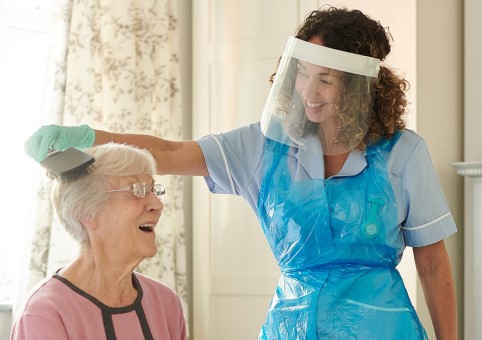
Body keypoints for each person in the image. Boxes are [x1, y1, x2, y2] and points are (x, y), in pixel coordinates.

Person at [24, 6, 457, 340]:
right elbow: (168, 152)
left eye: (324, 78)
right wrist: (84, 137)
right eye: (301, 74)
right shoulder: (262, 147)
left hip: (381, 327)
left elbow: (433, 263)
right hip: (291, 326)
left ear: (361, 85)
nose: (308, 91)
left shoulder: (404, 154)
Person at [11, 143, 187, 340]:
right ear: (88, 212)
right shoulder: (46, 313)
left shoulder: (165, 302)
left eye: (155, 190)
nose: (157, 204)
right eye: (137, 189)